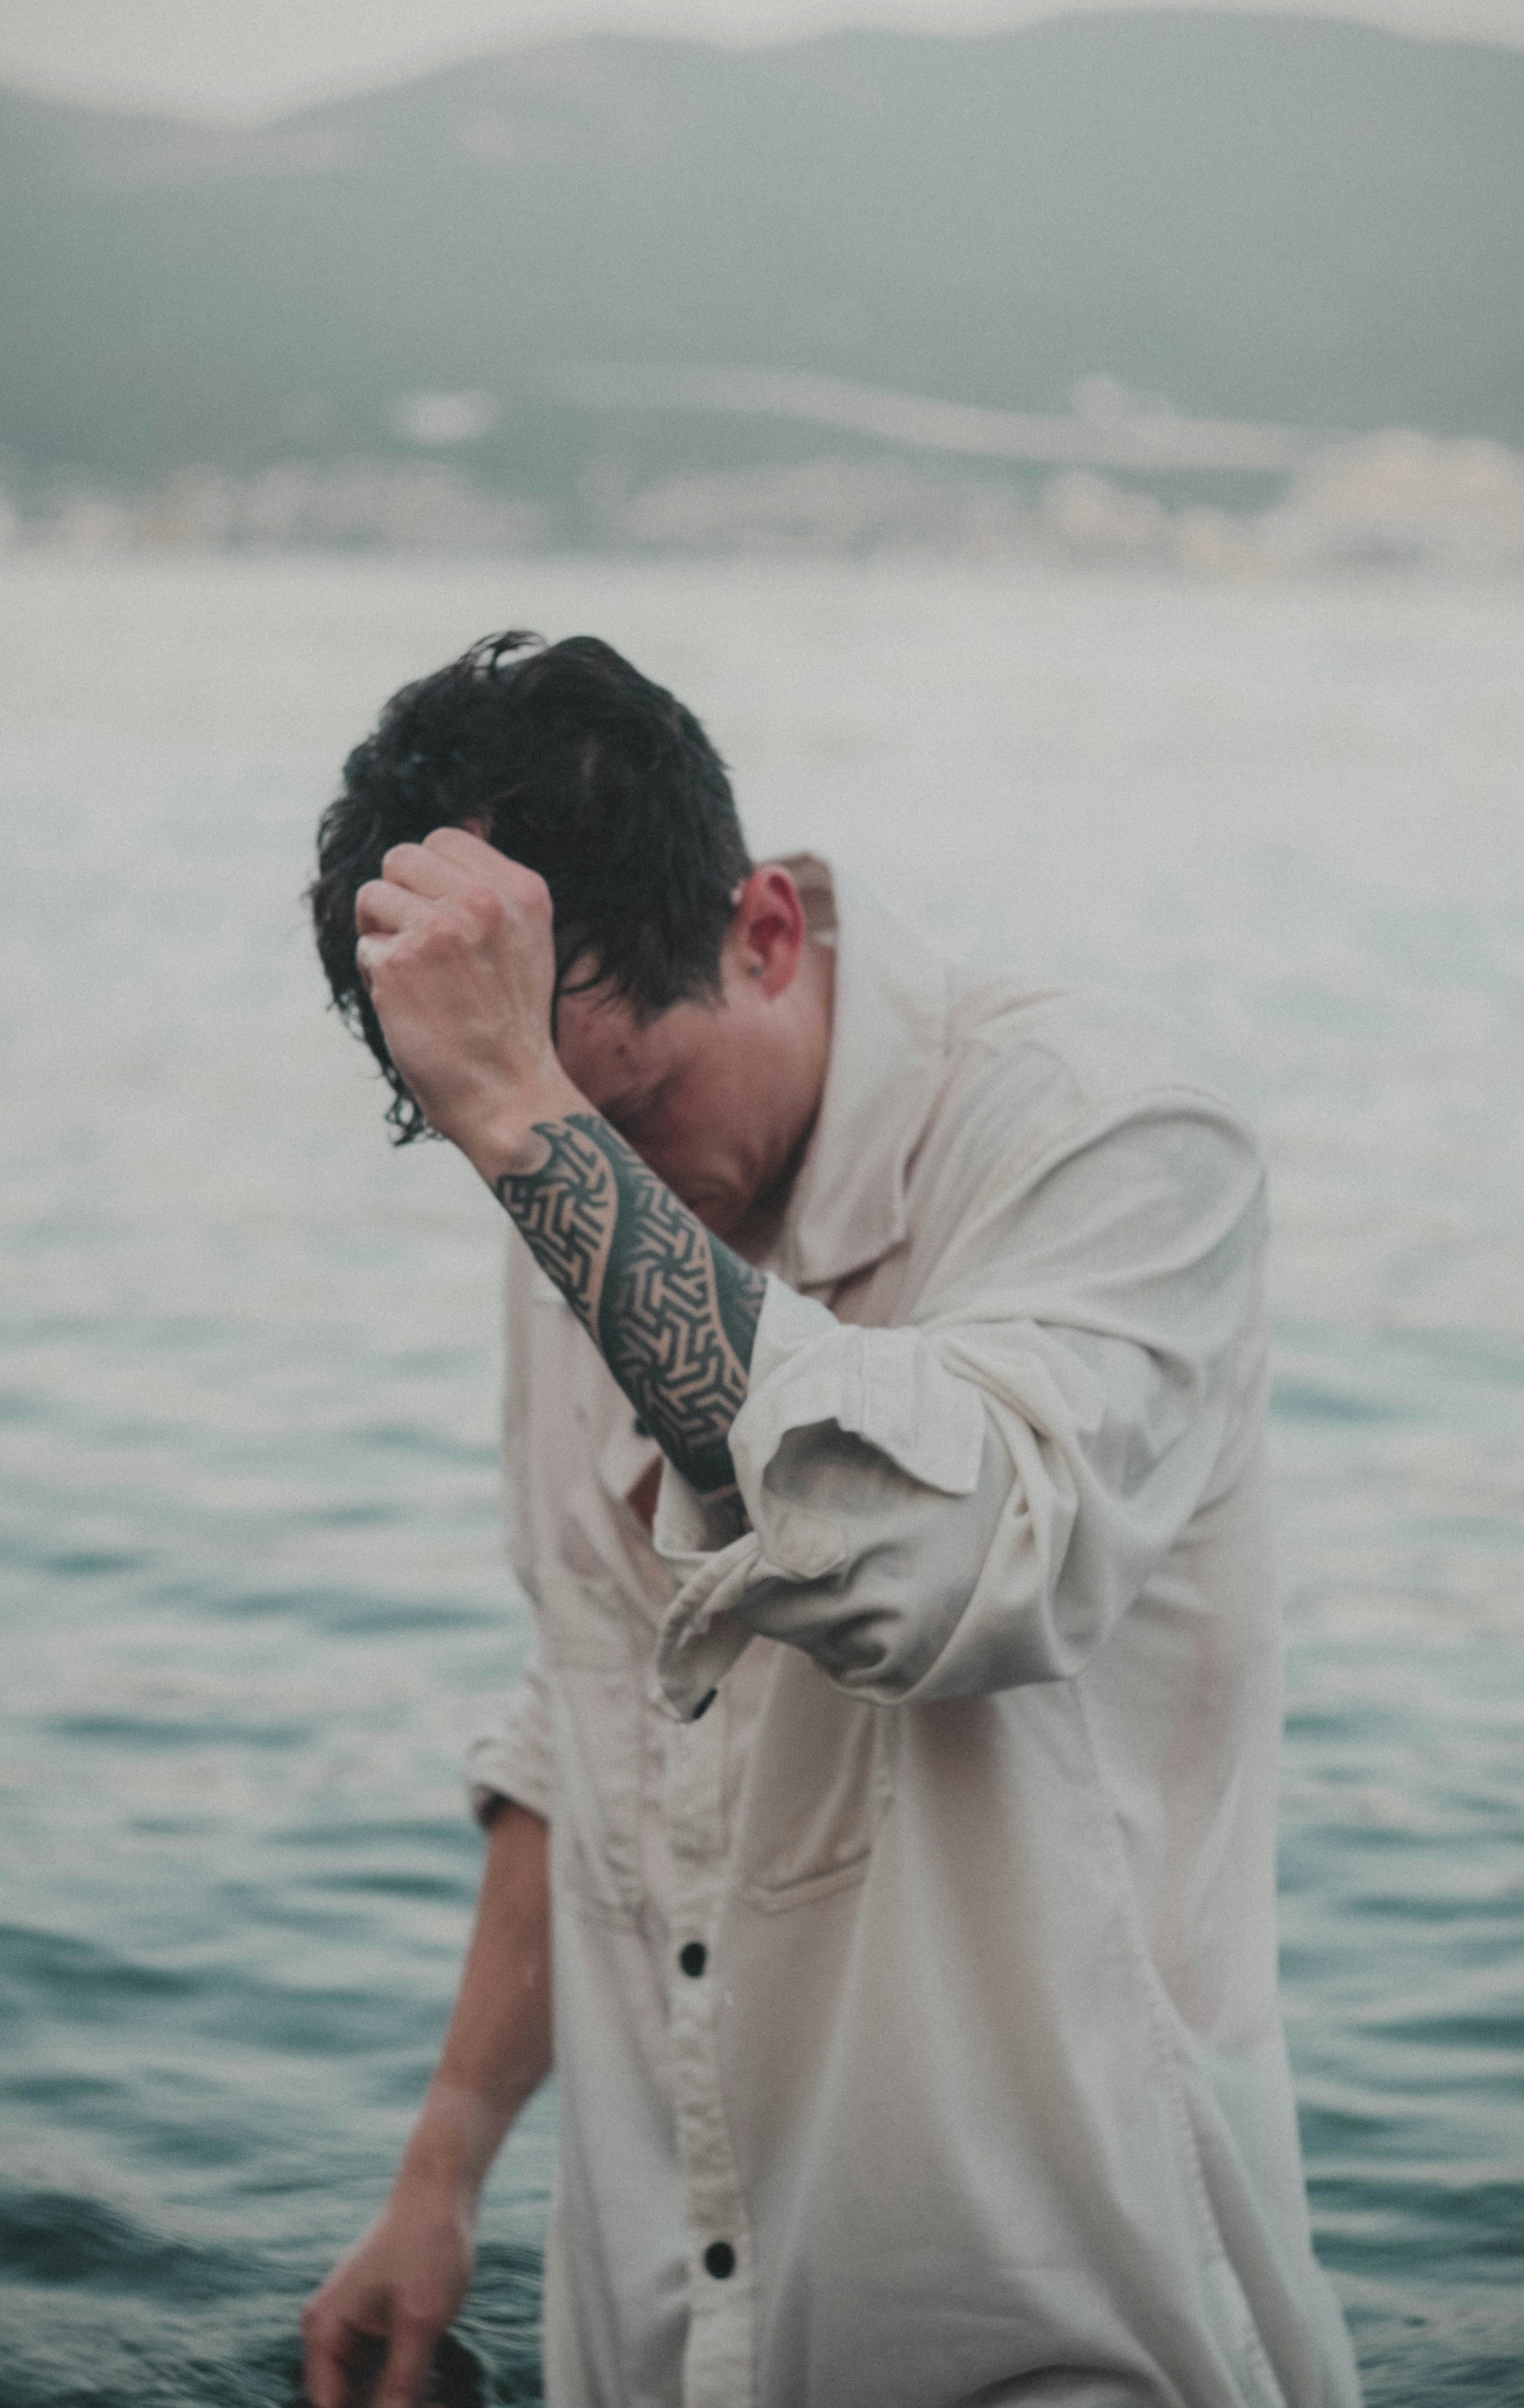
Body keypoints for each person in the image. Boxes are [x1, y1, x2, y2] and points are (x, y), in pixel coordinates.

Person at [300, 632, 1361, 2408]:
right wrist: (442, 2170)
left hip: (1060, 2332)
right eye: (542, 1149)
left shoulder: (1109, 1125)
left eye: (622, 1115)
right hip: (656, 2340)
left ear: (765, 930)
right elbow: (596, 1711)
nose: (577, 1195)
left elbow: (959, 1569)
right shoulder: (566, 1186)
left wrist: (538, 1129)